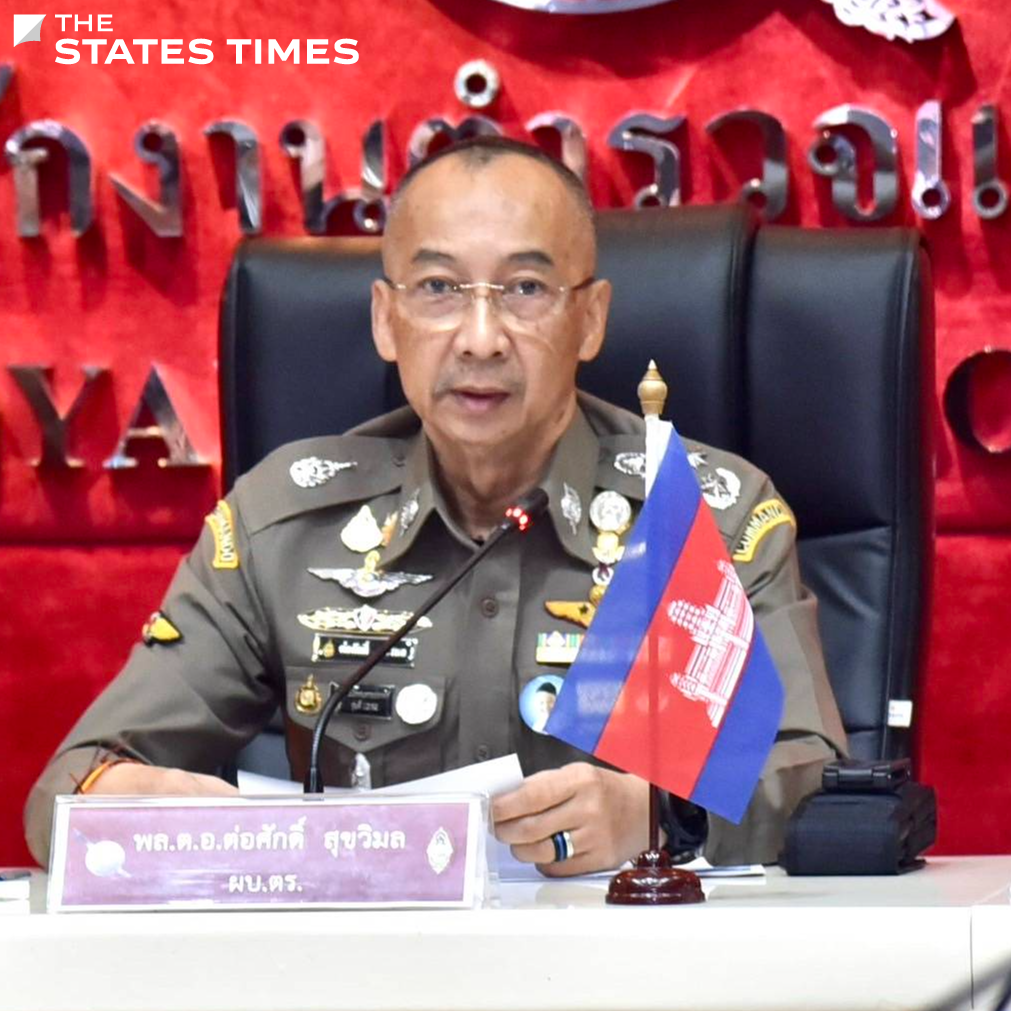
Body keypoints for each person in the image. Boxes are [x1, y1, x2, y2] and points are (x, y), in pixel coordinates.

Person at [25, 137, 846, 872]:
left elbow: (814, 784)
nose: (481, 337)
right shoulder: (284, 525)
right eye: (439, 288)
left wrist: (660, 816)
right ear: (386, 320)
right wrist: (130, 802)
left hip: (629, 960)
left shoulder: (691, 514)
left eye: (524, 288)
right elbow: (67, 789)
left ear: (589, 319)